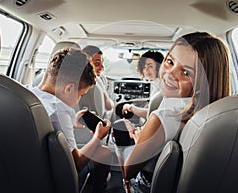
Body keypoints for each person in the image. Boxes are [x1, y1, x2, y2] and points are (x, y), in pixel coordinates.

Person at [123, 32, 230, 192]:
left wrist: (139, 141)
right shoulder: (223, 112)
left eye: (186, 72)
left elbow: (128, 171)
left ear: (205, 81)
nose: (170, 74)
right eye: (170, 61)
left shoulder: (163, 117)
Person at [28, 47, 112, 193]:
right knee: (104, 152)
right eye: (81, 94)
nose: (79, 99)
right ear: (68, 89)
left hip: (28, 172)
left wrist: (72, 123)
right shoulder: (60, 111)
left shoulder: (25, 94)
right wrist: (98, 137)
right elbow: (75, 164)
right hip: (53, 180)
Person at [122, 50, 164, 119]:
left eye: (150, 66)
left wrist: (130, 107)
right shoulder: (152, 83)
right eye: (144, 67)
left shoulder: (160, 86)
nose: (146, 70)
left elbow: (151, 113)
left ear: (159, 67)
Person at [82, 45, 114, 111]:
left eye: (102, 63)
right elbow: (109, 106)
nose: (102, 67)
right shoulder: (96, 80)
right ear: (86, 64)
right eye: (97, 64)